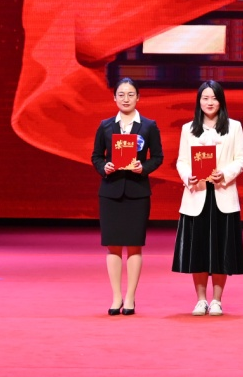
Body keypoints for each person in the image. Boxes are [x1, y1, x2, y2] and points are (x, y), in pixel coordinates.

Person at [173, 80, 243, 316]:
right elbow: (182, 161)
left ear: (221, 101)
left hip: (223, 195)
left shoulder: (234, 127)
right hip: (197, 195)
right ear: (199, 101)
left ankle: (217, 300)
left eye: (214, 98)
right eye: (205, 98)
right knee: (198, 249)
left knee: (221, 249)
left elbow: (241, 159)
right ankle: (200, 300)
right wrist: (189, 176)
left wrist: (224, 174)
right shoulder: (188, 129)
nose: (209, 102)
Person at [91, 77, 164, 316]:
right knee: (113, 246)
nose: (126, 99)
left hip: (137, 192)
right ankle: (116, 297)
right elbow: (96, 156)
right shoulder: (105, 126)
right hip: (110, 192)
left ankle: (130, 297)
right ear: (114, 98)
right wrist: (104, 167)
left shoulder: (148, 126)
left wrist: (143, 168)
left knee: (134, 246)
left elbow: (158, 157)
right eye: (121, 94)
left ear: (138, 97)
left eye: (131, 94)